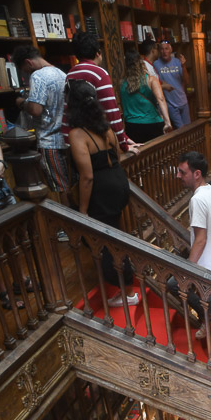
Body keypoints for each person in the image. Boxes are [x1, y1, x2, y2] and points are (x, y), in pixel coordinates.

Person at [66, 79, 136, 307]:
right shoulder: (106, 128)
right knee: (113, 235)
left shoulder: (78, 134)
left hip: (102, 192)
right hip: (118, 182)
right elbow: (116, 155)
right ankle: (127, 287)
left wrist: (83, 212)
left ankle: (127, 290)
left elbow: (87, 177)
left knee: (104, 243)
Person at [170, 151, 211, 367]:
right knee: (173, 285)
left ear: (196, 173)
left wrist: (187, 268)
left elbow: (200, 239)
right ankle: (205, 317)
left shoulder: (198, 200)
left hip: (209, 270)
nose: (178, 176)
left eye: (182, 172)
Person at [12, 45, 73, 204]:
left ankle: (68, 223)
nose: (26, 74)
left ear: (28, 62)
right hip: (68, 138)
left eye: (25, 70)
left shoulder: (38, 76)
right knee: (71, 183)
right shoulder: (61, 73)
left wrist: (21, 103)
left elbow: (36, 109)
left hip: (49, 141)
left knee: (60, 187)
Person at [63, 31, 134, 151]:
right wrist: (123, 143)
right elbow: (111, 111)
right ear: (98, 53)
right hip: (97, 141)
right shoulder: (99, 73)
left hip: (77, 141)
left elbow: (66, 110)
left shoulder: (70, 73)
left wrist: (68, 142)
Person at [120, 49, 172, 143]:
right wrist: (167, 122)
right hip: (152, 122)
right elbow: (161, 99)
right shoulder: (151, 80)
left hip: (132, 125)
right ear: (141, 63)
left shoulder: (122, 84)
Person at [154, 39, 190, 128]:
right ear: (159, 51)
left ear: (170, 50)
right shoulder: (156, 64)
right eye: (162, 49)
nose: (164, 52)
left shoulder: (177, 62)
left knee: (189, 129)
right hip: (170, 104)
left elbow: (187, 81)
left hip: (183, 101)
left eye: (166, 49)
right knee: (181, 130)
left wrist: (184, 66)